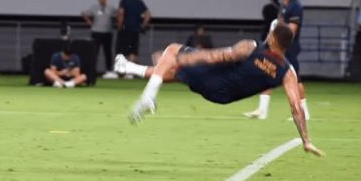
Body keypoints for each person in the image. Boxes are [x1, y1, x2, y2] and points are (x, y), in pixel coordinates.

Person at [112, 24, 323, 157]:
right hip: (223, 96)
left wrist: (187, 57)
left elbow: (220, 56)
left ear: (274, 38)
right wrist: (306, 140)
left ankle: (148, 97)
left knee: (172, 52)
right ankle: (128, 67)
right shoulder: (288, 72)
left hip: (212, 77)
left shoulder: (251, 46)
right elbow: (296, 107)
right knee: (171, 71)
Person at [244, 0, 309, 121]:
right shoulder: (284, 5)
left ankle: (304, 112)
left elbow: (292, 30)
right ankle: (262, 110)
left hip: (288, 47)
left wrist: (277, 27)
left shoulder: (296, 5)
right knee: (267, 73)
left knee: (295, 79)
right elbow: (279, 24)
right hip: (279, 47)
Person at [82, 0, 117, 78]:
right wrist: (89, 22)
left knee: (108, 52)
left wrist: (116, 24)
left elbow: (118, 14)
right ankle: (92, 69)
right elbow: (84, 13)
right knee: (95, 52)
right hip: (96, 32)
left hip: (107, 32)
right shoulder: (94, 7)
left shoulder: (111, 8)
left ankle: (108, 70)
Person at [116, 0, 151, 70]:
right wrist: (143, 25)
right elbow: (148, 14)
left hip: (125, 29)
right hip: (135, 30)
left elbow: (121, 13)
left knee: (122, 50)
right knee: (133, 50)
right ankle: (131, 71)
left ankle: (121, 70)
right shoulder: (139, 1)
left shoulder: (124, 0)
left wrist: (120, 25)